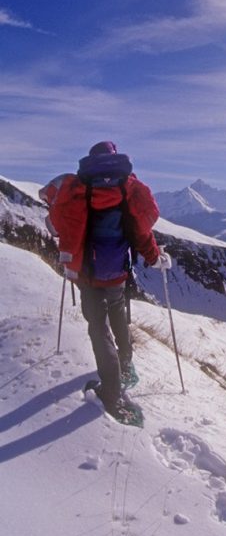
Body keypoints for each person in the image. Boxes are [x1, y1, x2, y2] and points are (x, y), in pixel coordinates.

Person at [41, 141, 171, 424]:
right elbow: (141, 232)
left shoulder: (77, 190)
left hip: (88, 275)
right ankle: (125, 364)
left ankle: (110, 392)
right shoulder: (128, 189)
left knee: (98, 327)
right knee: (118, 313)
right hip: (118, 271)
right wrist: (154, 257)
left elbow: (60, 226)